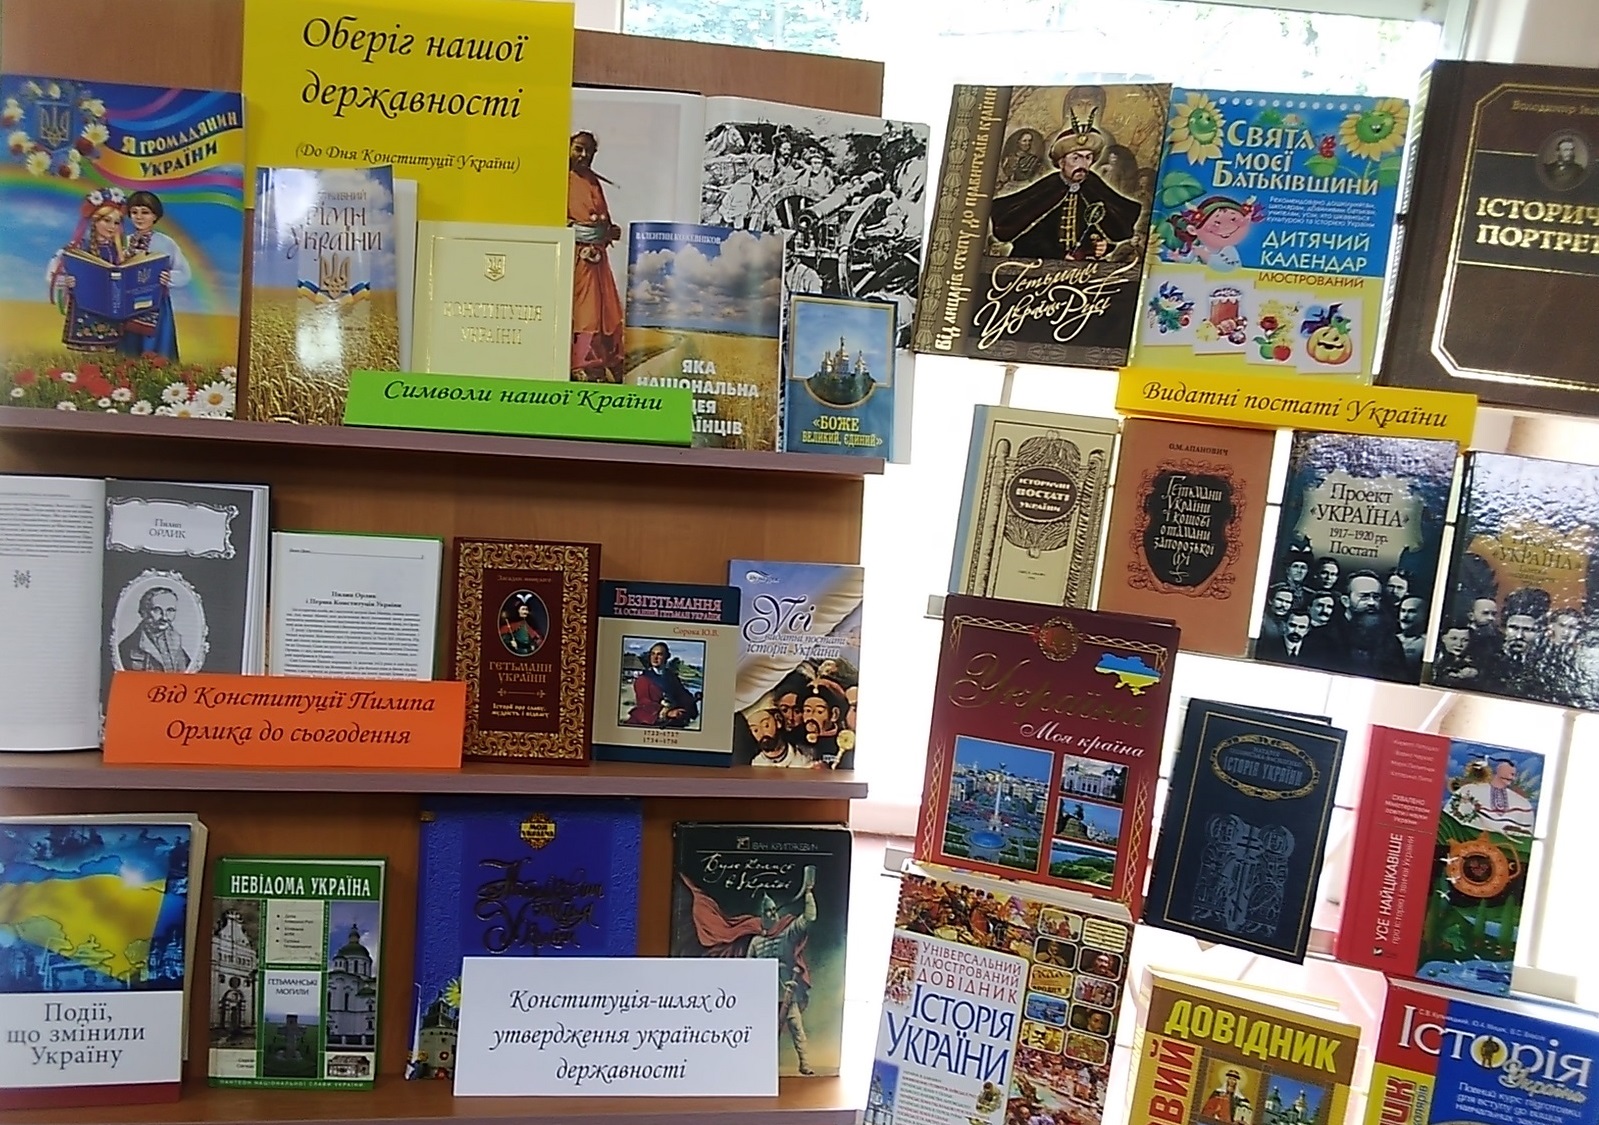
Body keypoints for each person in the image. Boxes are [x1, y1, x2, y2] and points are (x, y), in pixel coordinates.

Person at [676, 865, 820, 1075]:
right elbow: (749, 969)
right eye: (767, 911)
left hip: (785, 989)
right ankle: (754, 1068)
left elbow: (809, 917)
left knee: (795, 1026)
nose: (771, 914)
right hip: (762, 994)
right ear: (762, 915)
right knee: (756, 1030)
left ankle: (804, 1063)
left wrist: (808, 893)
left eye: (773, 910)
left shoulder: (788, 933)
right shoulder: (756, 942)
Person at [988, 117, 1141, 261]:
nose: (1083, 164)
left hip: (1083, 268)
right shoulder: (1048, 187)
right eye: (1076, 158)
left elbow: (1105, 226)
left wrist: (1103, 246)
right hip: (1040, 264)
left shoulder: (1094, 185)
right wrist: (1058, 254)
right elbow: (1028, 234)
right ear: (1061, 162)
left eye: (1088, 158)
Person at [567, 132, 625, 382]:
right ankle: (582, 364)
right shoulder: (560, 179)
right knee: (585, 311)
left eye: (589, 151)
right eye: (579, 149)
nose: (584, 155)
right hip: (576, 257)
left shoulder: (592, 181)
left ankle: (606, 362)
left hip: (598, 258)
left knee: (605, 310)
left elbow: (602, 218)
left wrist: (610, 231)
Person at [121, 190, 188, 362]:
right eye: (134, 212)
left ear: (155, 215)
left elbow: (184, 273)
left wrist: (168, 277)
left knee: (156, 347)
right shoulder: (124, 241)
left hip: (157, 304)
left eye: (145, 212)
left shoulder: (166, 242)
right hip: (127, 304)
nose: (139, 217)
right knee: (128, 349)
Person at [1317, 571, 1409, 680]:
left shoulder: (1391, 642)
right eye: (1364, 597)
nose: (1372, 603)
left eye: (1376, 597)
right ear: (1346, 601)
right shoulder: (1320, 638)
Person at [1158, 195, 1263, 271]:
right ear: (1193, 230)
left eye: (1233, 219)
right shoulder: (1198, 247)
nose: (1226, 227)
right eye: (1216, 223)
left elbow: (1230, 268)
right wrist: (1178, 258)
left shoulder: (1229, 250)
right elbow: (1188, 260)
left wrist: (1206, 256)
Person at [1450, 757, 1535, 834]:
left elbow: (1526, 832)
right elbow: (1451, 818)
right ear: (1496, 772)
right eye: (1509, 774)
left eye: (1513, 774)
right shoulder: (1469, 789)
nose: (1512, 778)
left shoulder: (1523, 802)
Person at [118, 586, 192, 673]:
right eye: (157, 610)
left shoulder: (176, 644)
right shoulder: (127, 647)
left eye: (170, 610)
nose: (164, 617)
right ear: (143, 612)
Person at [625, 642, 699, 728]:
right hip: (648, 720)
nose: (655, 657)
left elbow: (681, 694)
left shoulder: (671, 677)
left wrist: (692, 700)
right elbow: (644, 702)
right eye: (653, 654)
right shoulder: (643, 679)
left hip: (671, 719)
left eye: (659, 654)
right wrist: (667, 712)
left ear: (666, 657)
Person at [795, 682, 848, 768]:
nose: (811, 716)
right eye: (807, 710)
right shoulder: (795, 737)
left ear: (834, 715)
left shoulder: (843, 742)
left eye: (819, 712)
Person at [748, 708, 812, 768]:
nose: (762, 734)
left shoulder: (802, 758)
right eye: (755, 730)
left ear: (778, 722)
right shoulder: (756, 764)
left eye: (766, 726)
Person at [1398, 596, 1428, 671]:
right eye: (1403, 611)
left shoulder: (1427, 644)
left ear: (1424, 615)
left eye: (1412, 611)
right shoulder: (1388, 639)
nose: (1405, 615)